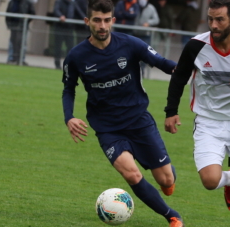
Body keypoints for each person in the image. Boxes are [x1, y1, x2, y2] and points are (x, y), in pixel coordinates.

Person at [61, 0, 184, 226]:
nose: (102, 26)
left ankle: (167, 172)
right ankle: (172, 216)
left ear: (113, 21)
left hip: (139, 121)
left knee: (166, 181)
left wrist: (183, 68)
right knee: (132, 174)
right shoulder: (76, 56)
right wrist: (69, 117)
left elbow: (161, 62)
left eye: (107, 20)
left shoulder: (130, 44)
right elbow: (68, 89)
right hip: (107, 128)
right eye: (97, 20)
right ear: (87, 21)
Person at [164, 0, 230, 226]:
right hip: (209, 121)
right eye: (210, 19)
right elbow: (179, 78)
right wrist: (171, 111)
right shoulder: (195, 46)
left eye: (219, 19)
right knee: (209, 181)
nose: (214, 25)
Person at [5, 0, 35, 65]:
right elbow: (7, 14)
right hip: (13, 26)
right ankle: (12, 59)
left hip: (22, 26)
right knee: (13, 43)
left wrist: (26, 21)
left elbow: (32, 13)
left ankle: (21, 59)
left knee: (21, 43)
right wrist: (9, 25)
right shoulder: (12, 2)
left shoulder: (28, 2)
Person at [53, 0, 77, 69]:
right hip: (60, 27)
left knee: (70, 47)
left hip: (69, 28)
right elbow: (56, 10)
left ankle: (68, 65)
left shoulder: (73, 3)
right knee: (58, 47)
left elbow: (77, 12)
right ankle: (57, 64)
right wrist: (60, 16)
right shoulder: (59, 1)